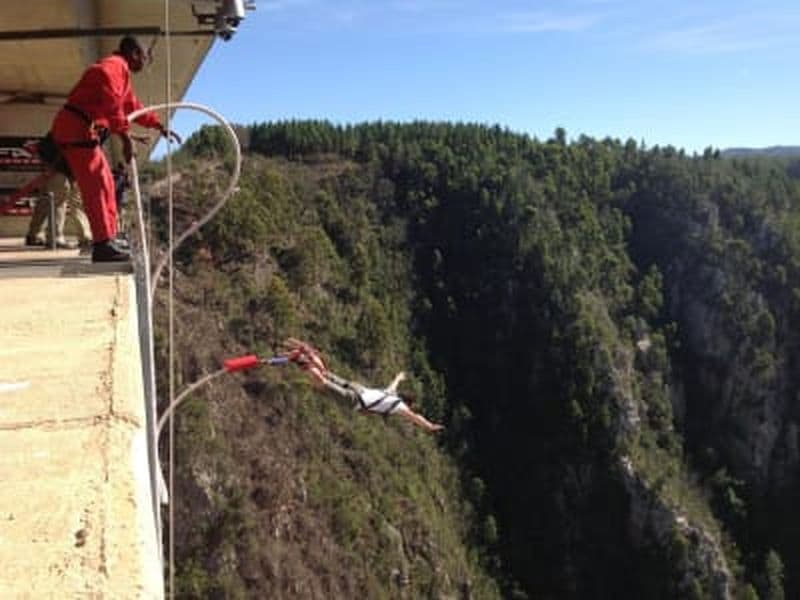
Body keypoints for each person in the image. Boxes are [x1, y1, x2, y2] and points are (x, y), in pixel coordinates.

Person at [50, 36, 180, 262]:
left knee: (106, 183)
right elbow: (113, 107)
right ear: (134, 53)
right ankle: (102, 245)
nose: (147, 62)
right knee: (97, 186)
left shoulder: (121, 73)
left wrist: (159, 125)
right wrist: (126, 139)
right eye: (146, 56)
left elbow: (132, 107)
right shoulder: (113, 68)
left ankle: (108, 237)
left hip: (81, 130)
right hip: (75, 129)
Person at [283, 339, 445, 433]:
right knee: (323, 383)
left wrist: (399, 377)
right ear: (407, 403)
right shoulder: (399, 407)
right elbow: (416, 417)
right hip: (356, 400)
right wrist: (429, 426)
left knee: (325, 373)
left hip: (358, 388)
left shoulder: (391, 394)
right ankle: (301, 360)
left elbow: (393, 384)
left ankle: (309, 355)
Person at [25, 171, 92, 251]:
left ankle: (36, 234)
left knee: (57, 198)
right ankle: (55, 236)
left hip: (65, 166)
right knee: (59, 198)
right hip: (62, 166)